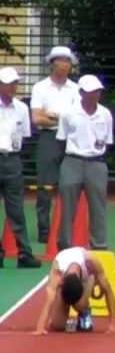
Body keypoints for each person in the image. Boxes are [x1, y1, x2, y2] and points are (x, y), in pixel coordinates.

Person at [56, 75, 113, 251]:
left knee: (98, 207)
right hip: (72, 160)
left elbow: (108, 141)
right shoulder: (68, 113)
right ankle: (64, 246)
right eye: (90, 92)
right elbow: (61, 139)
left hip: (96, 162)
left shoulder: (105, 114)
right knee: (67, 206)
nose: (94, 95)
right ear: (81, 92)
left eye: (97, 91)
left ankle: (99, 245)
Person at [29, 46, 79, 245]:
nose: (65, 65)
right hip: (49, 138)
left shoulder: (76, 89)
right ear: (52, 64)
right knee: (45, 185)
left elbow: (76, 118)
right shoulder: (40, 87)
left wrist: (53, 116)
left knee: (70, 185)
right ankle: (44, 231)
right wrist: (61, 118)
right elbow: (37, 119)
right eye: (61, 61)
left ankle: (66, 231)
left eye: (68, 61)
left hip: (69, 139)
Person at [0, 67, 39, 268]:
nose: (13, 87)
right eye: (8, 83)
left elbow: (24, 135)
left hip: (12, 158)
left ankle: (24, 254)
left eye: (15, 83)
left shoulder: (22, 109)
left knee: (16, 209)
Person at [32, 246, 115, 335]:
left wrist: (113, 325)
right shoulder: (57, 272)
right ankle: (66, 317)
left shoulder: (90, 262)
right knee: (58, 326)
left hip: (87, 280)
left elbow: (108, 289)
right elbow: (49, 299)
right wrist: (40, 327)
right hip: (66, 283)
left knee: (80, 305)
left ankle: (84, 312)